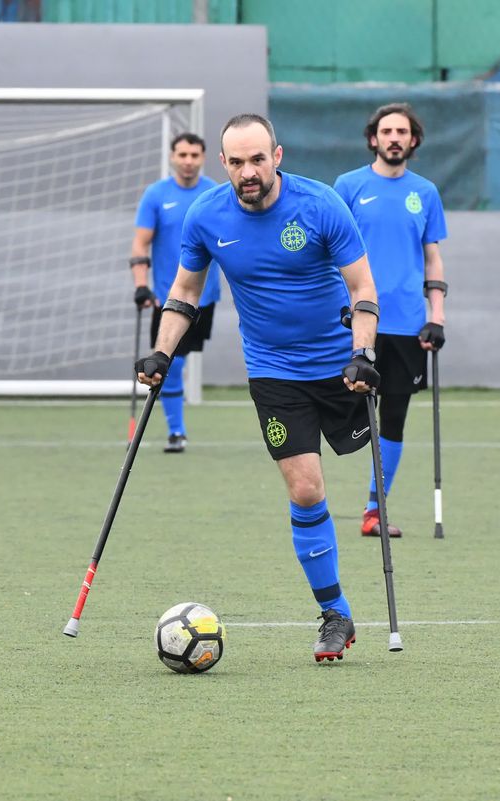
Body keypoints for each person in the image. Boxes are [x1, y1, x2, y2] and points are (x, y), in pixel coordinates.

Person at [136, 114, 381, 663]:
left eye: (257, 159)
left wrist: (363, 354)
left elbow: (362, 286)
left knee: (364, 455)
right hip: (273, 372)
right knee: (306, 489)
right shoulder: (205, 216)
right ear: (223, 164)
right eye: (237, 162)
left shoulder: (320, 206)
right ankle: (335, 613)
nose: (248, 172)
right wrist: (162, 351)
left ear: (278, 156)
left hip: (339, 365)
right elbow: (184, 292)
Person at [333, 103, 448, 538]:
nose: (394, 137)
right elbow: (329, 252)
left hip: (404, 326)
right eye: (387, 130)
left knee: (393, 418)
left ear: (413, 140)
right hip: (356, 323)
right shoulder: (348, 186)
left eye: (402, 131)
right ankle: (311, 497)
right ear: (373, 138)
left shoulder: (427, 193)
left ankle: (373, 509)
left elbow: (432, 257)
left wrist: (436, 317)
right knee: (340, 409)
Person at [129, 132, 221, 453]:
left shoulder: (214, 193)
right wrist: (141, 284)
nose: (188, 161)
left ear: (203, 158)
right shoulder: (156, 195)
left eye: (194, 155)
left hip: (205, 296)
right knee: (172, 362)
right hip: (167, 299)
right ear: (172, 157)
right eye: (182, 155)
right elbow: (141, 243)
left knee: (181, 359)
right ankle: (176, 432)